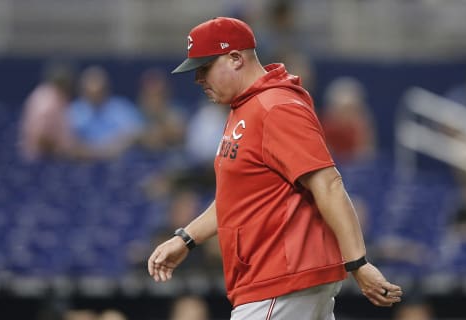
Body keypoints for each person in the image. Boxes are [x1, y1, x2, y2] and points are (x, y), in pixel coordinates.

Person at [148, 17, 403, 319]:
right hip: (278, 283)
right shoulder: (246, 108)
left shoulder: (275, 107)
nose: (198, 79)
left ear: (235, 58)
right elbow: (238, 196)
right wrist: (186, 238)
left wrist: (358, 264)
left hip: (280, 282)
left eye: (205, 68)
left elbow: (329, 184)